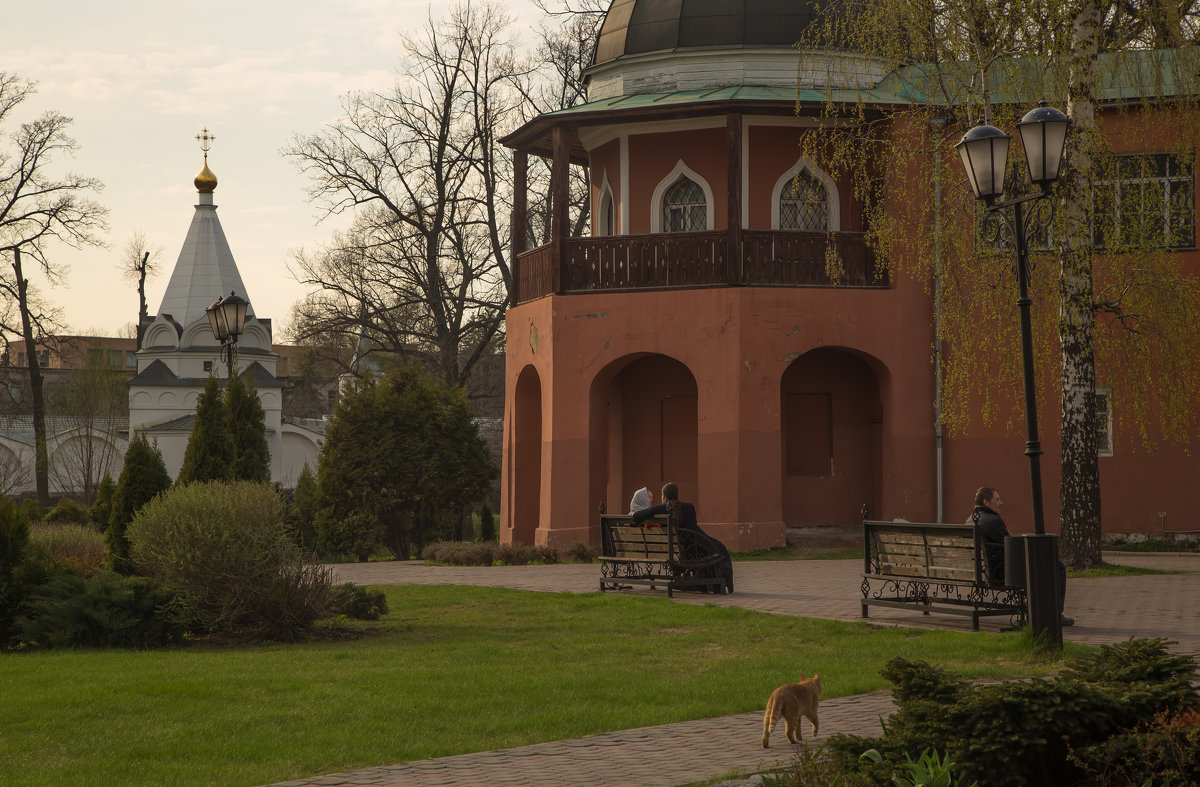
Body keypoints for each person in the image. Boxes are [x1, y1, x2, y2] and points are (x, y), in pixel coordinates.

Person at [970, 486, 1073, 627]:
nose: (1001, 503)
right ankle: (1054, 614)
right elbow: (1012, 549)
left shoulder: (971, 520)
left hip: (981, 571)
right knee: (1057, 567)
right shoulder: (993, 521)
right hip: (1000, 573)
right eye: (997, 499)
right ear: (986, 502)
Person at [632, 482, 734, 593]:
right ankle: (723, 582)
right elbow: (693, 526)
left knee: (715, 548)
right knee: (719, 548)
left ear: (663, 496)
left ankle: (709, 584)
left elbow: (636, 517)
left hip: (681, 550)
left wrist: (651, 513)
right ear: (677, 495)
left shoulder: (661, 509)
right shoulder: (689, 507)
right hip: (696, 547)